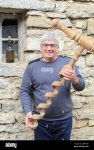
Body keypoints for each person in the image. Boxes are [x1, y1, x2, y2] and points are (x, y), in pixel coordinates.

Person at [20, 32, 85, 140]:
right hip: (41, 121)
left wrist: (74, 78)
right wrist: (28, 111)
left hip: (64, 121)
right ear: (40, 48)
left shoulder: (68, 63)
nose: (49, 48)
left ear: (57, 48)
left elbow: (81, 87)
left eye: (52, 45)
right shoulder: (32, 66)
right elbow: (24, 91)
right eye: (45, 45)